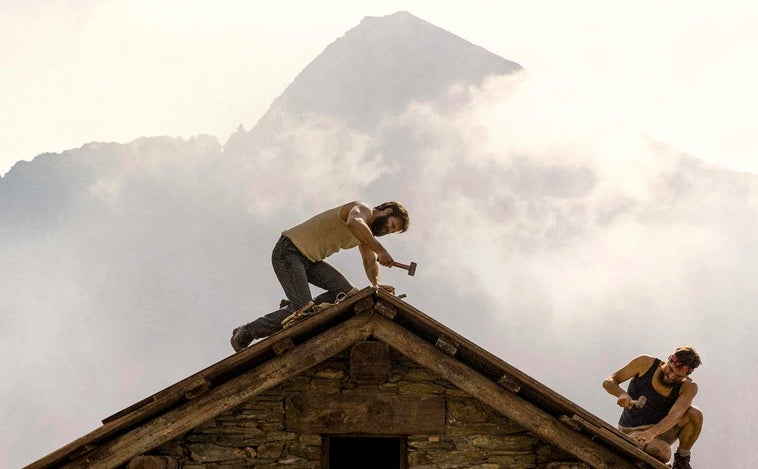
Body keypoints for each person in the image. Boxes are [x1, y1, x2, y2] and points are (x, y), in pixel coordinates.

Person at [230, 201, 410, 351]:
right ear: (387, 210)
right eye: (391, 225)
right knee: (301, 309)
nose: (388, 231)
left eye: (391, 232)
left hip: (309, 260)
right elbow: (354, 222)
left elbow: (370, 262)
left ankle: (302, 309)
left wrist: (377, 285)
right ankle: (248, 331)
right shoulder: (362, 209)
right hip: (289, 251)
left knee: (347, 294)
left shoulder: (366, 235)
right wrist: (381, 250)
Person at [602, 346, 703, 469]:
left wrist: (651, 433)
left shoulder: (688, 387)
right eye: (670, 369)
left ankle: (682, 460)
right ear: (670, 358)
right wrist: (621, 394)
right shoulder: (645, 363)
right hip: (632, 430)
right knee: (663, 452)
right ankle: (633, 443)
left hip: (658, 430)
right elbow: (609, 381)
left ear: (686, 375)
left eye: (678, 376)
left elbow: (675, 415)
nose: (671, 377)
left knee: (695, 414)